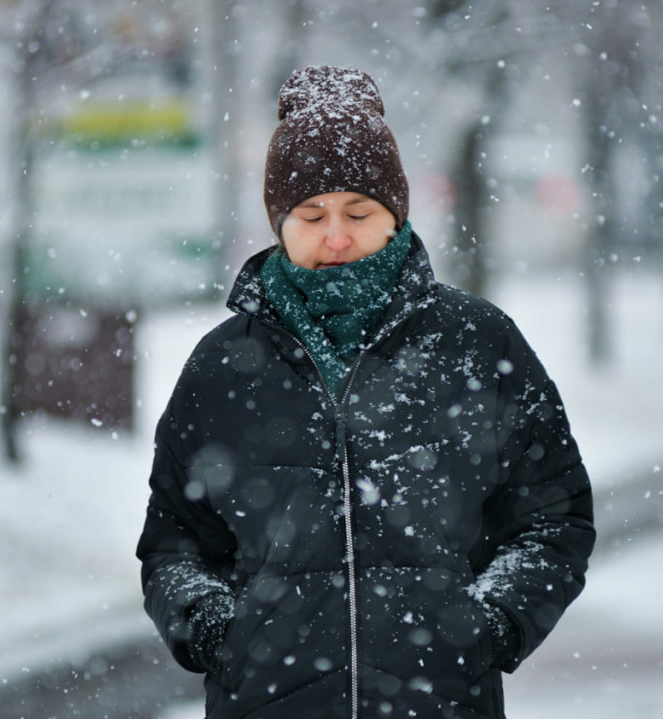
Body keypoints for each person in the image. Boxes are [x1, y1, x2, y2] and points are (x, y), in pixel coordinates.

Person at [137, 65, 596, 719]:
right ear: (279, 221)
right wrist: (213, 626)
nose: (336, 236)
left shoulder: (476, 344)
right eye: (310, 214)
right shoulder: (222, 366)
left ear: (396, 216)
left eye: (359, 211)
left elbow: (553, 519)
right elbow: (176, 545)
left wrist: (492, 621)